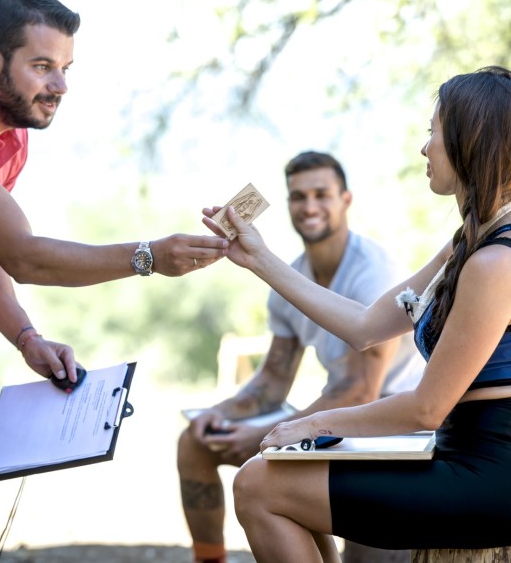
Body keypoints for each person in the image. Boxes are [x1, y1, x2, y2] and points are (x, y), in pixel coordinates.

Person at [203, 65, 511, 562]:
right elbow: (366, 327)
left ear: (470, 142)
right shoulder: (473, 241)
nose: (425, 149)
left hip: (497, 479)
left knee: (258, 487)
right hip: (464, 458)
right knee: (273, 478)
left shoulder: (498, 262)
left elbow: (426, 408)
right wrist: (259, 258)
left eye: (433, 133)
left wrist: (313, 424)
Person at [0, 0, 228, 385]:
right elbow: (22, 257)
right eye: (42, 66)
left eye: (66, 68)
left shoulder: (9, 135)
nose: (60, 86)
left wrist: (28, 339)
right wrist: (150, 257)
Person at [178, 151, 425, 563]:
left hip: (389, 433)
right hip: (338, 427)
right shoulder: (291, 276)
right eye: (298, 196)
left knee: (365, 556)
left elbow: (360, 393)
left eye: (321, 194)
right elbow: (272, 380)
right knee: (196, 443)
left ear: (345, 200)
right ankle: (209, 559)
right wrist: (219, 414)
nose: (309, 206)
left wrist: (273, 433)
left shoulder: (371, 272)